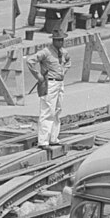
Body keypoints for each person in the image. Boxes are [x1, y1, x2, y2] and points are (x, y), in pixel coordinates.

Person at [34, 24, 68, 154]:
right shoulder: (46, 52)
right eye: (58, 40)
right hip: (50, 83)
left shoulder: (63, 52)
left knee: (57, 110)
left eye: (62, 40)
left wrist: (64, 70)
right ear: (53, 40)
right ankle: (43, 141)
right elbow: (31, 61)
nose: (60, 42)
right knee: (47, 111)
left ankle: (54, 138)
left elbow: (68, 61)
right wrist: (38, 75)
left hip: (60, 83)